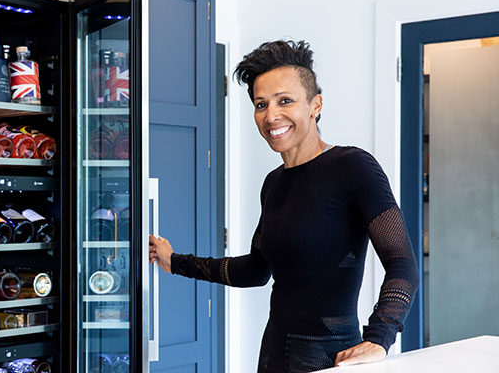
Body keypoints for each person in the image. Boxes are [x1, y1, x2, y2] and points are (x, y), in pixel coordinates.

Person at [148, 40, 419, 373]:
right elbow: (256, 270)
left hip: (331, 357)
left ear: (315, 105)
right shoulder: (273, 183)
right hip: (273, 352)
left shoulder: (353, 167)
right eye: (261, 104)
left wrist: (380, 337)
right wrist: (176, 262)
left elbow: (402, 263)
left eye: (285, 101)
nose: (271, 115)